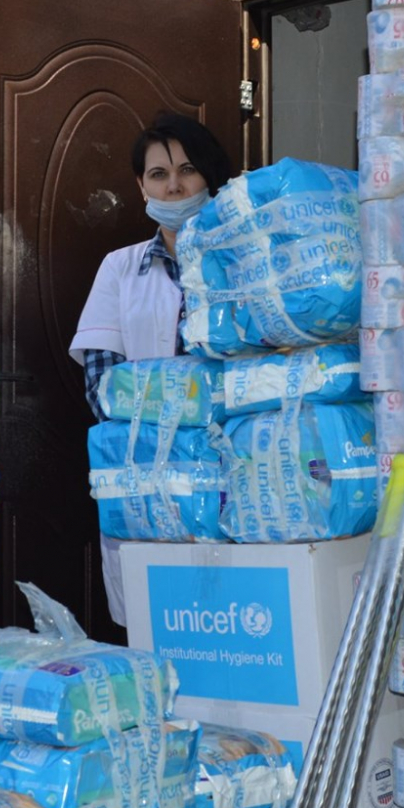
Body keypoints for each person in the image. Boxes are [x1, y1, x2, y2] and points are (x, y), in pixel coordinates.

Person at [67, 111, 235, 626]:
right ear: (141, 185)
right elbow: (102, 385)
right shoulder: (120, 268)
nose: (175, 185)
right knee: (155, 628)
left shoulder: (243, 258)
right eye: (159, 174)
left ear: (211, 177)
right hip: (143, 477)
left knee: (231, 622)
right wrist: (188, 412)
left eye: (187, 170)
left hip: (232, 470)